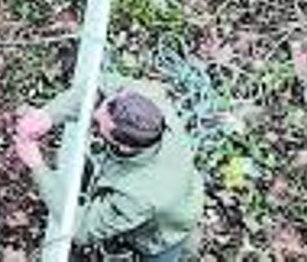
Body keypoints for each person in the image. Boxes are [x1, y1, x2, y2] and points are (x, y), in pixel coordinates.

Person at [14, 72, 205, 260]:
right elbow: (100, 84)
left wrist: (37, 165)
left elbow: (82, 229)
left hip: (164, 231)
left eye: (97, 124)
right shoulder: (148, 99)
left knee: (165, 248)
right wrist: (49, 115)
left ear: (124, 146)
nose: (94, 113)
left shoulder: (139, 196)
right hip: (184, 191)